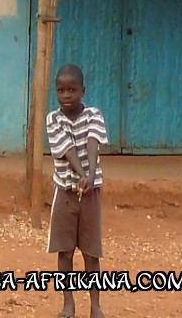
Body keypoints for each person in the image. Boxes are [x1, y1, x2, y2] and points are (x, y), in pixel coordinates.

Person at [46, 64, 108, 318]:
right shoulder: (54, 119)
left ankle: (95, 306)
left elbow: (93, 141)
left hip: (90, 195)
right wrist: (83, 175)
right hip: (66, 193)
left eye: (72, 89)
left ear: (83, 90)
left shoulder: (94, 114)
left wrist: (91, 175)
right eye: (61, 90)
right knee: (65, 251)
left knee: (92, 252)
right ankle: (68, 304)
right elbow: (67, 149)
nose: (66, 95)